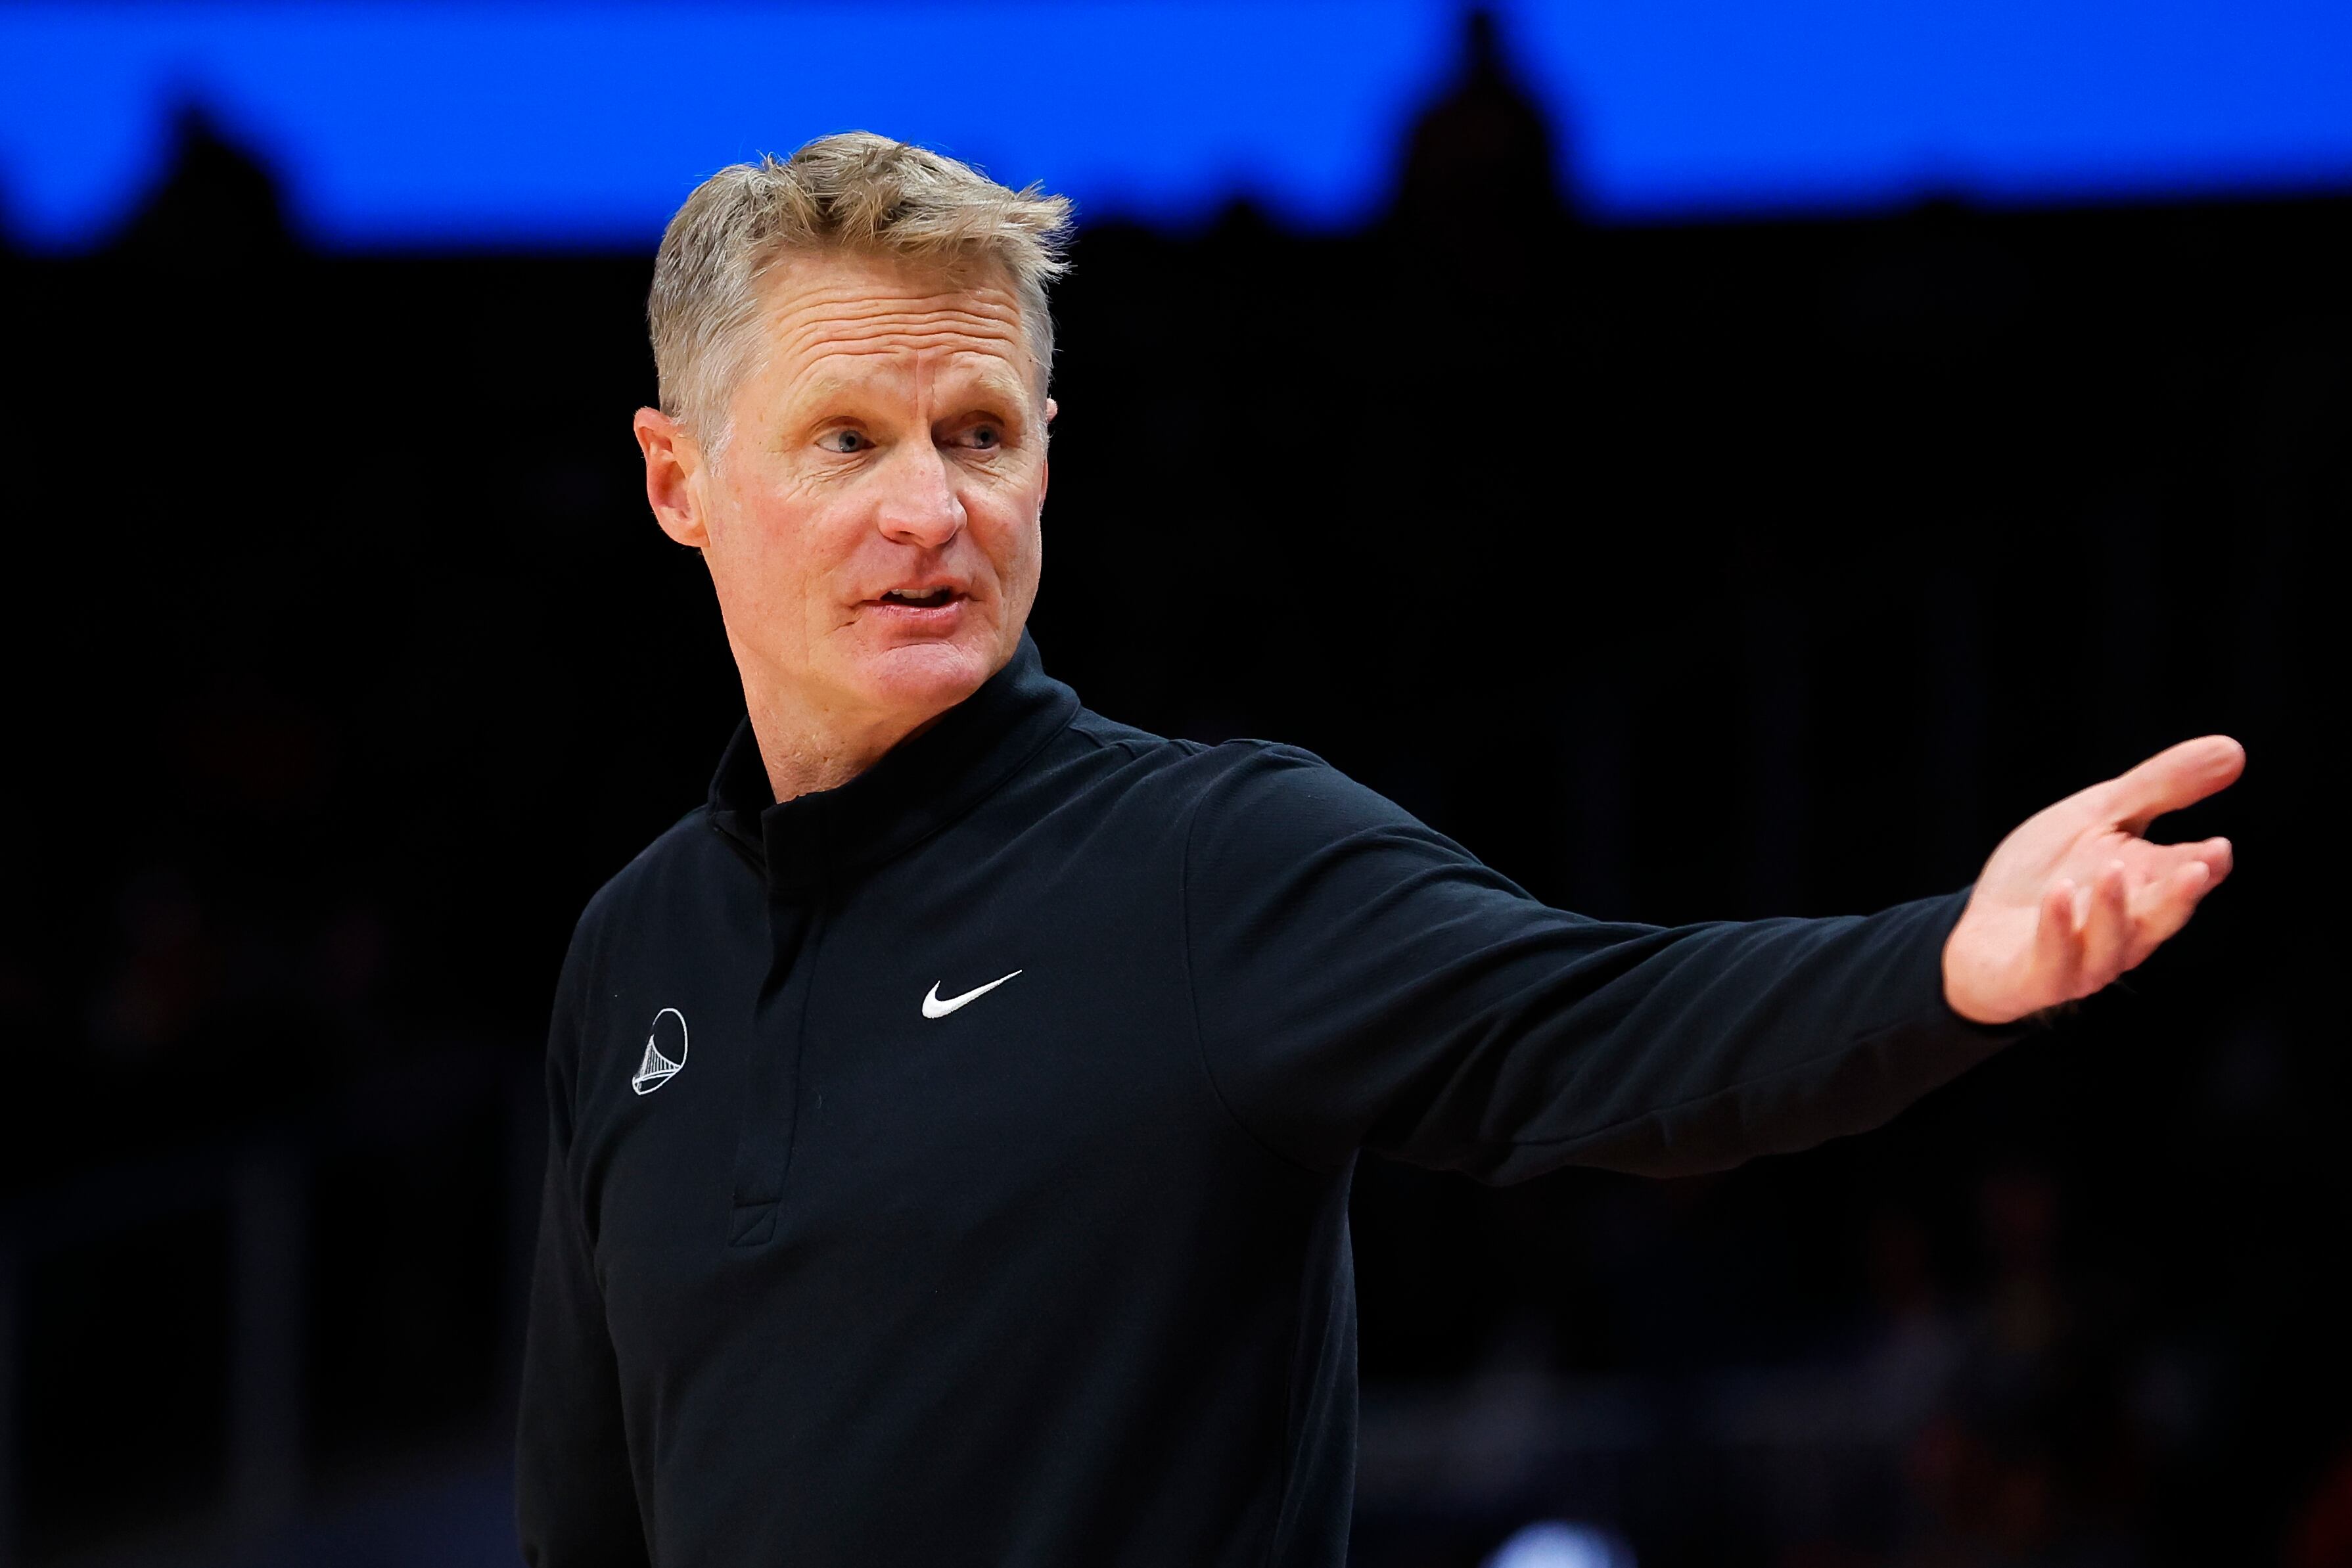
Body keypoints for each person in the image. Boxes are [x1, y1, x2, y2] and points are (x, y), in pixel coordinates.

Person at [515, 132, 2242, 1567]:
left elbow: (1600, 1029)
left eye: (979, 431)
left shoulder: (1204, 863)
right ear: (680, 480)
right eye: (847, 440)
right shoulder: (632, 952)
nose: (930, 508)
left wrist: (1949, 960)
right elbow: (584, 1524)